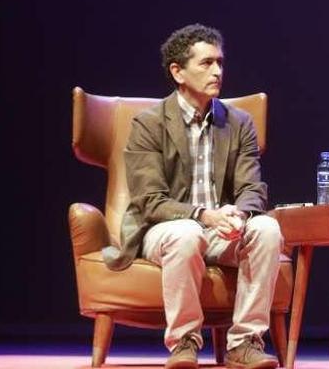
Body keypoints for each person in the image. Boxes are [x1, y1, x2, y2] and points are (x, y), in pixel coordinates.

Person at [102, 24, 282, 369]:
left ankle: (244, 343)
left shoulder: (239, 123)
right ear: (177, 72)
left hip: (221, 229)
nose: (217, 71)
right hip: (166, 227)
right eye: (206, 63)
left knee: (267, 230)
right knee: (187, 234)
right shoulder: (149, 124)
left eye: (220, 63)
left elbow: (252, 189)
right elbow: (150, 201)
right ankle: (184, 342)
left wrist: (239, 216)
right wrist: (204, 215)